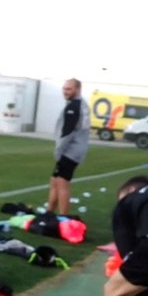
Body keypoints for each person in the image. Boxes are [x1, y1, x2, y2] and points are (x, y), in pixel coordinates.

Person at [48, 78, 90, 214]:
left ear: (77, 90)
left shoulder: (74, 106)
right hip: (74, 149)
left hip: (70, 150)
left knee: (62, 183)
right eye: (64, 88)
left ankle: (63, 217)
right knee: (54, 180)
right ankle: (49, 213)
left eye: (69, 89)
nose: (65, 92)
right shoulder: (79, 104)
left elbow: (67, 132)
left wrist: (59, 152)